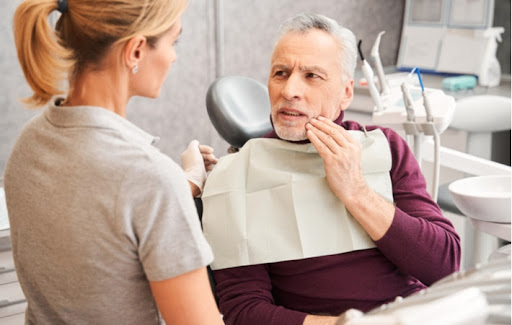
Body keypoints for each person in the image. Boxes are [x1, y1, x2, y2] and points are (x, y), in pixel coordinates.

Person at [201, 13, 461, 325]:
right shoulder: (236, 177)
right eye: (280, 74)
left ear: (346, 93)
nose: (289, 90)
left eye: (312, 76)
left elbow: (445, 264)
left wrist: (357, 192)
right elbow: (242, 310)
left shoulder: (385, 149)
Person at [4, 0, 224, 324]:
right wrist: (170, 189)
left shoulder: (29, 145)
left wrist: (184, 183)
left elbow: (97, 209)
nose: (174, 56)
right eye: (172, 42)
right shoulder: (149, 178)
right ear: (135, 51)